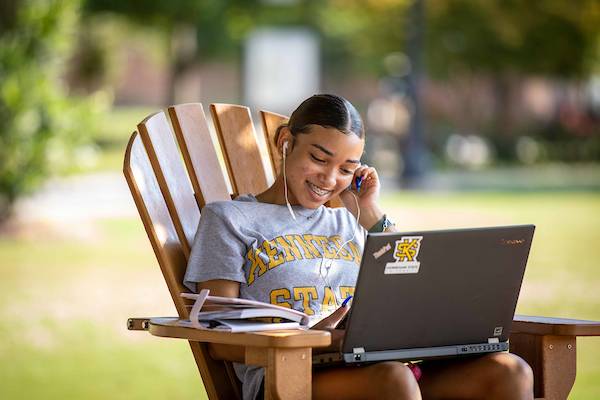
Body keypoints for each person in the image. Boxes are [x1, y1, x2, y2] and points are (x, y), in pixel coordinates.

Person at [184, 94, 534, 400]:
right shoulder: (229, 219)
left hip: (377, 367)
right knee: (394, 380)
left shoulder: (349, 222)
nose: (329, 179)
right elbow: (218, 338)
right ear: (285, 141)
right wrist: (312, 338)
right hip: (288, 379)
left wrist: (370, 212)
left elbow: (408, 286)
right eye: (320, 159)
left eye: (346, 169)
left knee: (509, 371)